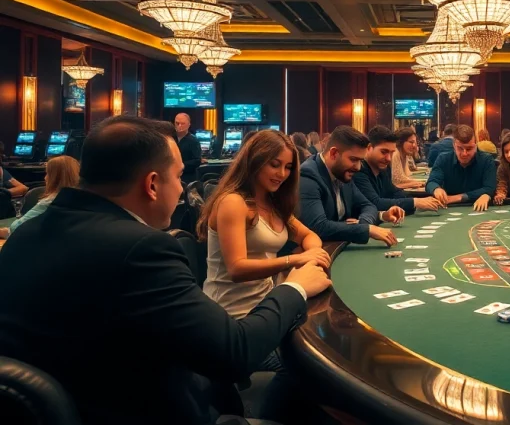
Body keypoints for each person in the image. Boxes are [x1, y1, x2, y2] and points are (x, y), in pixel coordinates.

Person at [0, 115, 330, 425]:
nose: (181, 188)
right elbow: (235, 352)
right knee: (309, 370)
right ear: (153, 183)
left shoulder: (24, 234)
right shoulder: (142, 249)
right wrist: (295, 287)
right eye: (179, 176)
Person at [199, 130, 329, 318]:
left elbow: (309, 236)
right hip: (230, 314)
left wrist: (311, 254)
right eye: (274, 165)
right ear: (255, 161)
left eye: (288, 167)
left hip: (266, 303)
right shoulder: (233, 202)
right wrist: (293, 260)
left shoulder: (273, 203)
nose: (282, 174)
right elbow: (237, 269)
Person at [298, 126, 402, 245]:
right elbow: (319, 227)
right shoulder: (308, 176)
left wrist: (363, 222)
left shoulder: (342, 172)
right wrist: (367, 229)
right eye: (353, 159)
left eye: (360, 161)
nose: (358, 167)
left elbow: (368, 206)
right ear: (333, 153)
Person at [354, 126, 440, 215]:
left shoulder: (384, 167)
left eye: (391, 153)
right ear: (369, 148)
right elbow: (375, 203)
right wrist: (415, 202)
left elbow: (394, 192)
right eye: (384, 152)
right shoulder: (358, 170)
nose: (389, 158)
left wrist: (426, 198)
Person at [426, 125, 497, 212]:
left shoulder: (487, 160)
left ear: (475, 145)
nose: (464, 153)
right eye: (460, 148)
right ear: (454, 146)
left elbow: (489, 188)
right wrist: (436, 189)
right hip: (448, 210)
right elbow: (431, 182)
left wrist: (457, 197)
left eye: (469, 148)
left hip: (477, 208)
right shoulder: (443, 159)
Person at [8, 155, 79, 233]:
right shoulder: (84, 200)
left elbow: (16, 227)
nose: (45, 178)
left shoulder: (50, 202)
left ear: (55, 178)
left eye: (47, 174)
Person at [174, 113, 202, 184]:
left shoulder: (193, 140)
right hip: (173, 178)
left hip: (188, 179)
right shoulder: (171, 138)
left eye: (182, 123)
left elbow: (197, 161)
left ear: (189, 124)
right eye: (177, 123)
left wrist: (181, 165)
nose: (179, 126)